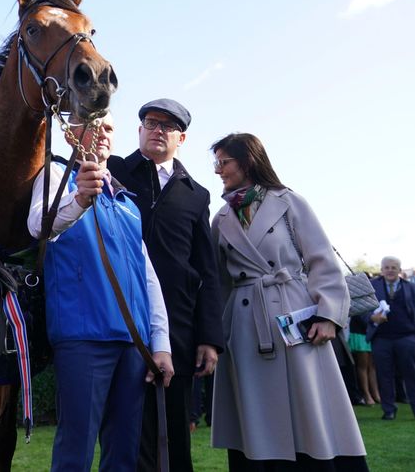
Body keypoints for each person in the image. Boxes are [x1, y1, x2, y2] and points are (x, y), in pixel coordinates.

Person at [210, 133, 367, 470]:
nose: (217, 170)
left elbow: (322, 260)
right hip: (245, 326)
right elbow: (219, 283)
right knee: (255, 415)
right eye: (216, 163)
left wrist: (328, 315)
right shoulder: (220, 219)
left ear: (247, 161)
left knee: (309, 408)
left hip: (296, 320)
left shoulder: (289, 202)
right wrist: (218, 333)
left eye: (224, 162)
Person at [28, 113, 173, 471]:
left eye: (107, 127)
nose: (101, 134)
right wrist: (78, 199)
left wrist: (161, 344)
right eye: (91, 126)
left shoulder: (126, 201)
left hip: (133, 344)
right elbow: (37, 226)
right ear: (69, 134)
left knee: (124, 453)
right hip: (83, 336)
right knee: (76, 451)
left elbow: (148, 278)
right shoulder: (55, 176)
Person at [106, 98, 222, 472]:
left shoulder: (196, 194)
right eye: (150, 122)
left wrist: (209, 337)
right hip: (120, 320)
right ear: (139, 130)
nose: (157, 129)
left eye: (167, 126)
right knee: (125, 429)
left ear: (181, 138)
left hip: (179, 326)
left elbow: (207, 269)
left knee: (174, 430)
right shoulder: (114, 171)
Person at [367, 256, 415, 420]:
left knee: (411, 374)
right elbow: (359, 308)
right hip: (381, 339)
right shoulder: (372, 286)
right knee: (384, 375)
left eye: (394, 267)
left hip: (407, 338)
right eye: (386, 267)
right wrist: (371, 318)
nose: (390, 270)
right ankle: (389, 410)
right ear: (381, 270)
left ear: (400, 270)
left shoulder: (410, 287)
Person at [348, 312, 380, 405]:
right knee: (363, 365)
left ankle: (376, 394)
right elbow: (361, 316)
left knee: (372, 366)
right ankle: (366, 395)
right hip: (360, 332)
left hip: (372, 332)